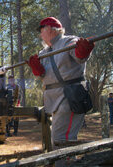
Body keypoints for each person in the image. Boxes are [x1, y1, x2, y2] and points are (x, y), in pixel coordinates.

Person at [27, 17, 94, 166]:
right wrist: (37, 69)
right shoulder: (43, 52)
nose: (40, 34)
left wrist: (82, 50)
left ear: (51, 29)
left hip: (70, 97)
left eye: (41, 30)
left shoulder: (69, 41)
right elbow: (44, 76)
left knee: (62, 140)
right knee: (59, 140)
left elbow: (79, 57)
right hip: (54, 99)